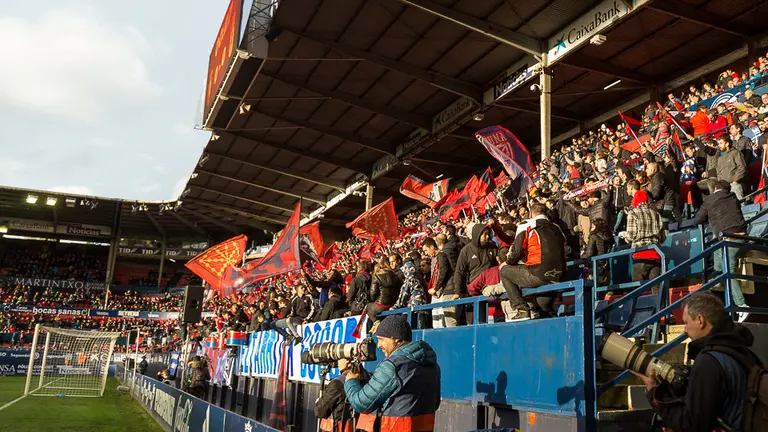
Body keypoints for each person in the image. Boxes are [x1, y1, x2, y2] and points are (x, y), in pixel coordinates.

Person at [633, 292, 760, 431]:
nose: (684, 330)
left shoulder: (709, 361)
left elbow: (693, 424)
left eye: (686, 322)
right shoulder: (745, 353)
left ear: (700, 320)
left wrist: (654, 392)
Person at [339, 315, 441, 432]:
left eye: (381, 339)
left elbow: (361, 403)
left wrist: (351, 381)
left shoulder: (391, 366)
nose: (379, 345)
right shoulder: (433, 366)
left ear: (395, 339)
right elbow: (435, 404)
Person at [693, 180, 750, 322]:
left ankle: (742, 305)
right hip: (743, 239)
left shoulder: (709, 200)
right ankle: (716, 279)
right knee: (718, 256)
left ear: (715, 188)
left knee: (728, 272)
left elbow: (698, 220)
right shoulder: (732, 196)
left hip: (729, 240)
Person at [499, 203, 567, 321]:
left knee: (504, 271)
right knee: (542, 305)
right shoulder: (557, 227)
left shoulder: (527, 225)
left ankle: (521, 309)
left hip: (538, 272)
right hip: (559, 275)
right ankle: (549, 313)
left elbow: (516, 252)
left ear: (531, 214)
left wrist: (508, 262)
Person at [452, 224, 498, 325]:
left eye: (488, 234)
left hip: (491, 291)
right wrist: (458, 292)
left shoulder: (493, 247)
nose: (487, 237)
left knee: (491, 323)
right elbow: (460, 272)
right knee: (474, 323)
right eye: (484, 234)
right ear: (477, 235)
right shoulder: (466, 251)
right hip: (473, 292)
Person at [620, 181, 665, 284]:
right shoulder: (656, 214)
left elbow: (631, 236)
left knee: (638, 289)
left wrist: (624, 236)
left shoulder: (633, 213)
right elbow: (663, 235)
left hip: (640, 254)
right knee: (657, 288)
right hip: (655, 253)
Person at [422, 237, 454, 328]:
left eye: (426, 250)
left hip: (441, 291)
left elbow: (443, 272)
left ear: (432, 247)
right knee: (436, 319)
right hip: (435, 292)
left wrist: (437, 288)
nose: (425, 253)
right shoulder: (433, 259)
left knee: (442, 320)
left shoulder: (441, 255)